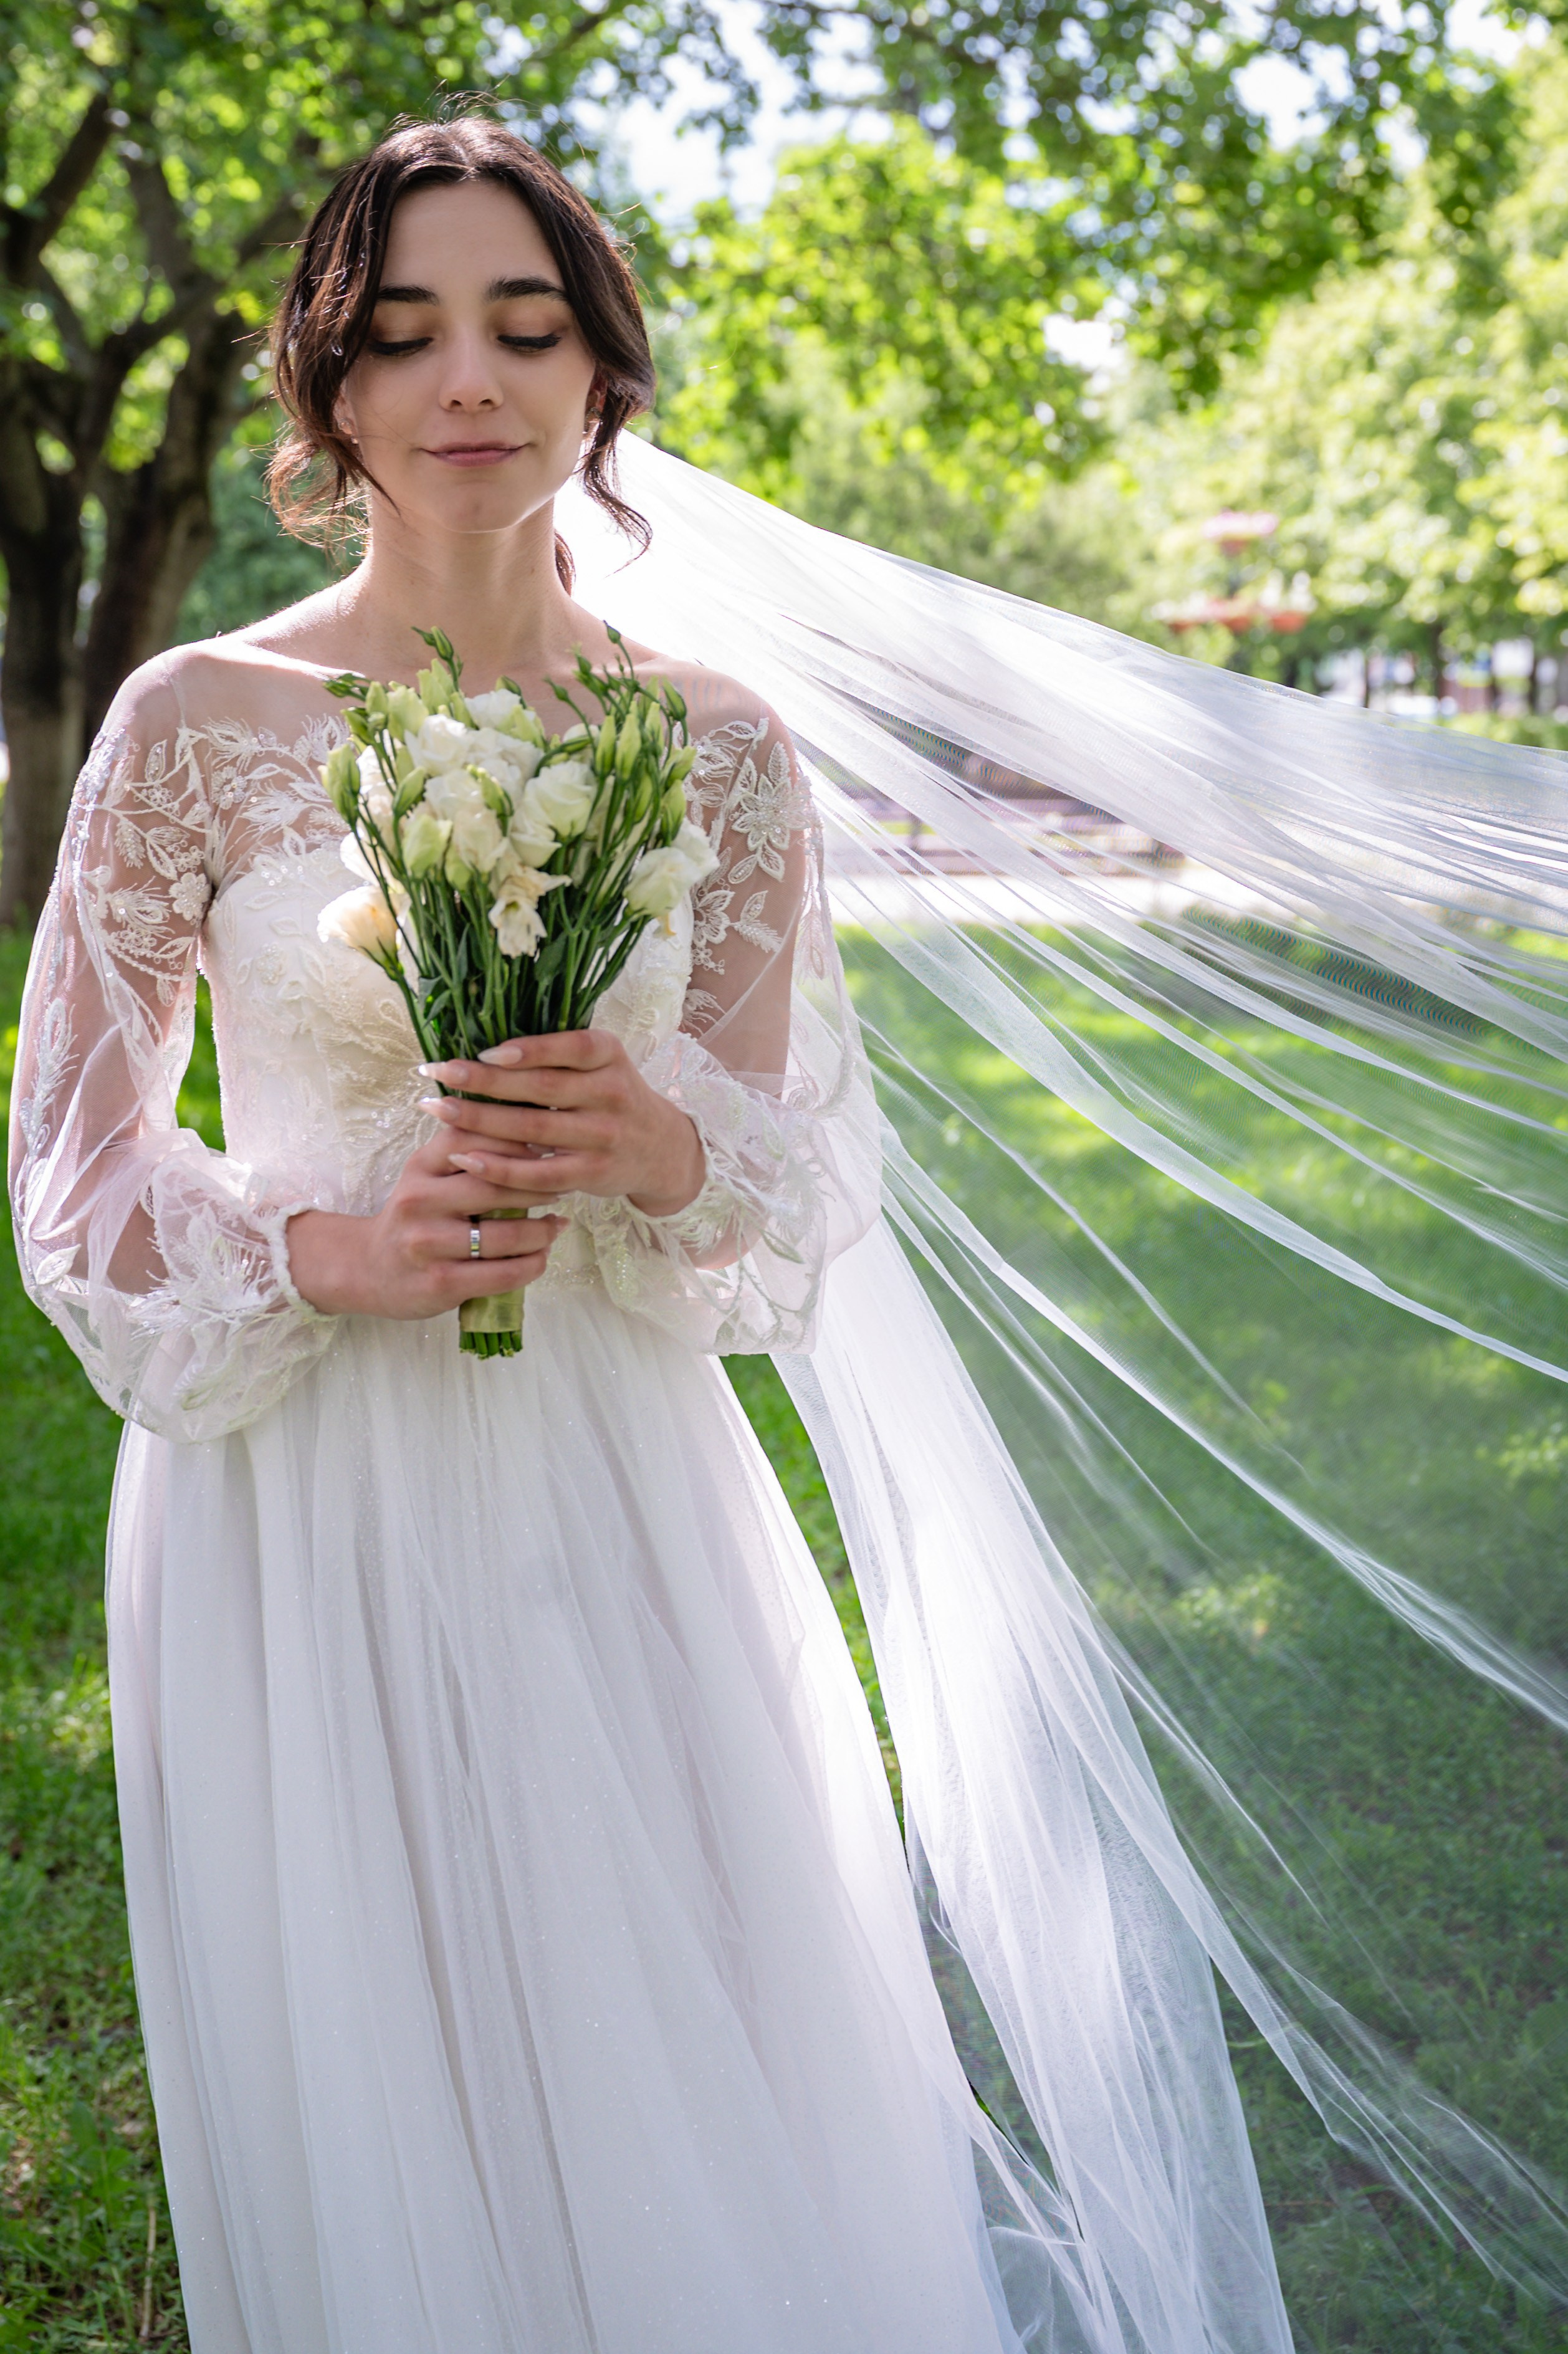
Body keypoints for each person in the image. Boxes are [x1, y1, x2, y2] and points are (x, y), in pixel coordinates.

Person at [19, 106, 1566, 2354]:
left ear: (601, 378)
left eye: (525, 328)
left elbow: (782, 1181)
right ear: (329, 389)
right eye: (408, 331)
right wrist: (313, 1251)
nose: (471, 381)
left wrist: (649, 1138)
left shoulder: (718, 748)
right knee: (390, 2037)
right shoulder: (197, 724)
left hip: (620, 1474)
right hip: (294, 1485)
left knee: (687, 2013)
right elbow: (67, 1153)